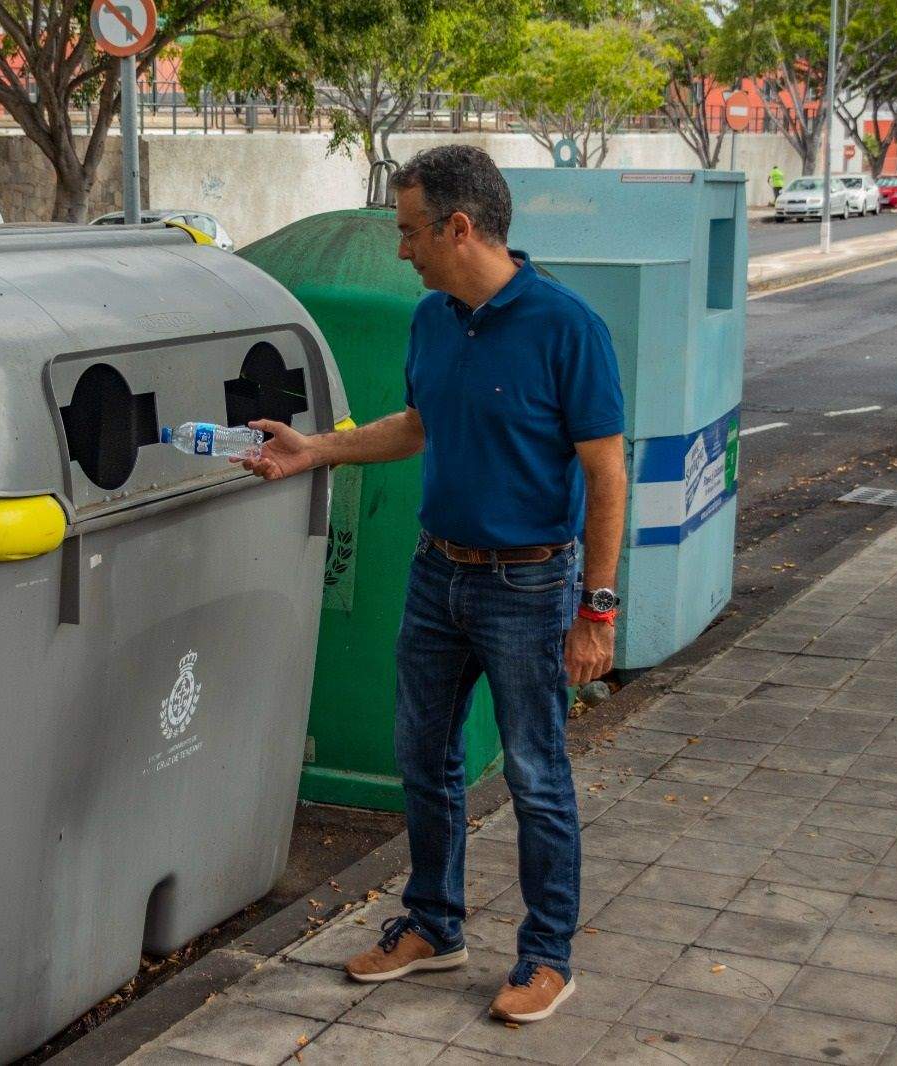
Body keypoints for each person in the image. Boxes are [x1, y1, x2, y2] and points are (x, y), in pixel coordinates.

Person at [238, 145, 626, 1025]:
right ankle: (434, 924)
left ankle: (547, 955)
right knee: (423, 759)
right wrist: (319, 448)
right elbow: (418, 424)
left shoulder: (567, 327)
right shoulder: (433, 320)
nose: (403, 249)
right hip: (436, 575)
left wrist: (596, 609)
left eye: (412, 231)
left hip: (530, 587)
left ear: (460, 226)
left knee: (536, 774)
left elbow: (607, 474)